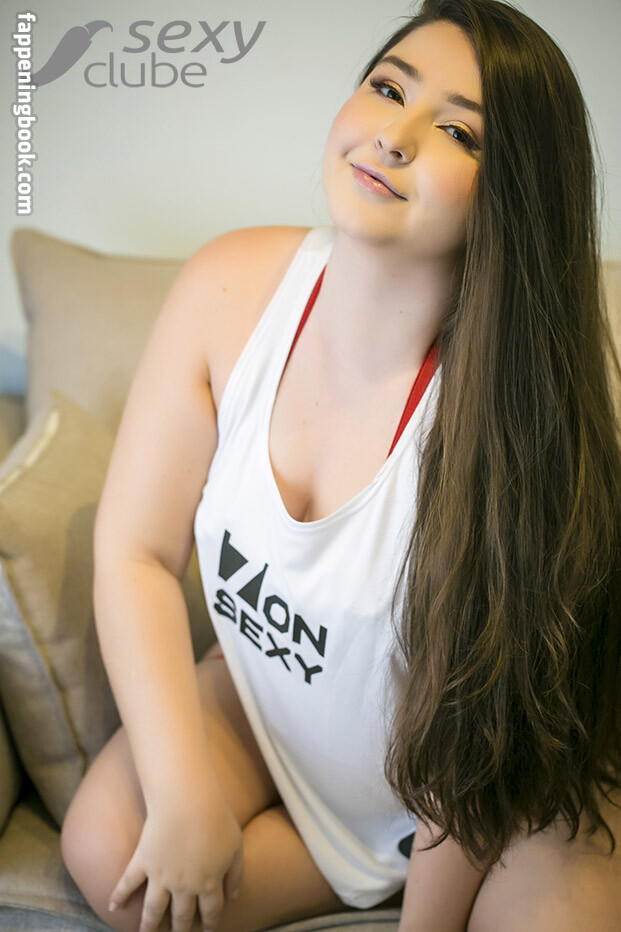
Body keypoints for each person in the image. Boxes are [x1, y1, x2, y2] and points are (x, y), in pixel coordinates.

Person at [60, 0, 621, 930]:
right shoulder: (227, 286)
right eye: (388, 88)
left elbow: (476, 744)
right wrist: (185, 800)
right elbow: (136, 554)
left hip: (484, 788)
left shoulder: (516, 425)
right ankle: (346, 867)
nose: (394, 135)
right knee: (114, 859)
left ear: (513, 192)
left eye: (456, 132)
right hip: (273, 715)